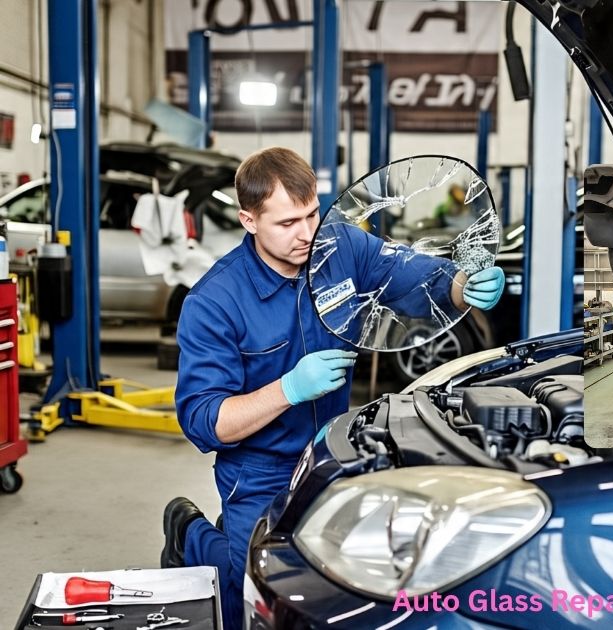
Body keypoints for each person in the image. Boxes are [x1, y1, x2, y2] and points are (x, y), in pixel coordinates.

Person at [158, 147, 506, 630]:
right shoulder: (214, 303)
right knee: (254, 594)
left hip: (333, 452)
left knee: (338, 584)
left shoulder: (340, 246)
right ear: (248, 220)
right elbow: (202, 421)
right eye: (287, 223)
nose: (306, 234)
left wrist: (463, 285)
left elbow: (414, 278)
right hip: (259, 471)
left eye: (312, 214)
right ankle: (191, 535)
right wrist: (288, 388)